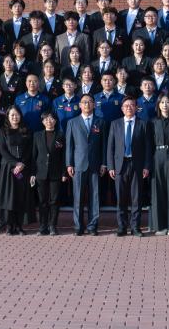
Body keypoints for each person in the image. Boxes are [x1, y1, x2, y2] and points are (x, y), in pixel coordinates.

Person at [106, 97, 150, 236]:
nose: (129, 107)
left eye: (132, 105)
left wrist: (146, 166)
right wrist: (110, 166)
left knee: (136, 198)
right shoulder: (115, 124)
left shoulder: (143, 124)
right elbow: (110, 147)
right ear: (122, 108)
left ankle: (135, 227)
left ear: (136, 108)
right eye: (126, 105)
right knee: (121, 198)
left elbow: (148, 147)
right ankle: (122, 227)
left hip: (137, 165)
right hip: (120, 165)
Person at [65, 94, 106, 236]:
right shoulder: (72, 122)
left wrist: (104, 163)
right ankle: (78, 226)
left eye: (89, 102)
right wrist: (69, 164)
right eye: (84, 102)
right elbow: (69, 145)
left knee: (95, 197)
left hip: (95, 164)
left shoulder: (100, 122)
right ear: (80, 105)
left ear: (94, 104)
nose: (87, 104)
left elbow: (104, 145)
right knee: (78, 197)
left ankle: (92, 226)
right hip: (78, 164)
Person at [148, 95, 169, 236]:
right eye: (162, 102)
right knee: (158, 190)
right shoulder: (153, 122)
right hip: (157, 156)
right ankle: (160, 226)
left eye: (167, 102)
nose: (165, 104)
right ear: (158, 105)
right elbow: (149, 143)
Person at [0, 106, 33, 235]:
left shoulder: (27, 130)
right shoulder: (2, 131)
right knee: (9, 197)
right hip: (8, 168)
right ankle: (9, 225)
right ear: (7, 116)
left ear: (20, 116)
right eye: (12, 115)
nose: (14, 117)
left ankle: (19, 225)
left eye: (17, 114)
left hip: (23, 168)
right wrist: (15, 163)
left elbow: (29, 149)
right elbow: (3, 150)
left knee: (20, 196)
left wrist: (22, 163)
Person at [31, 112, 66, 235]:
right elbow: (33, 156)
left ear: (55, 121)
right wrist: (33, 173)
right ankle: (43, 226)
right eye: (46, 119)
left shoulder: (60, 135)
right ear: (42, 122)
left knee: (54, 201)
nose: (49, 121)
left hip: (56, 173)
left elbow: (64, 156)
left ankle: (52, 226)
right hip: (40, 173)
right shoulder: (37, 135)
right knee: (42, 201)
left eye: (51, 119)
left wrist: (64, 173)